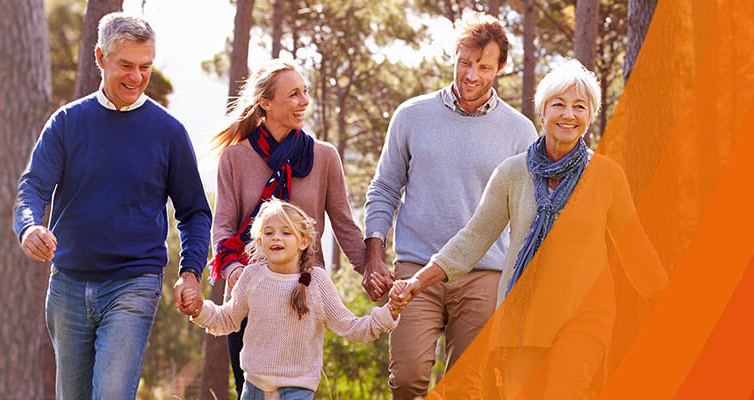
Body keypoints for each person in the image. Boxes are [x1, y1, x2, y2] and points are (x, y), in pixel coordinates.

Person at [389, 60, 667, 398]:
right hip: (523, 322)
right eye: (559, 104)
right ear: (542, 112)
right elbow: (473, 239)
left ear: (590, 116)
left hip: (584, 317)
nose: (568, 114)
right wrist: (418, 280)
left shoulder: (606, 175)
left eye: (579, 106)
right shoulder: (512, 173)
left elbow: (634, 246)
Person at [12, 12, 212, 399]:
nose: (136, 77)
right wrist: (30, 225)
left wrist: (190, 272)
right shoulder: (67, 123)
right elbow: (33, 187)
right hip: (68, 284)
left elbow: (194, 212)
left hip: (134, 282)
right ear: (100, 57)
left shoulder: (168, 132)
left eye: (145, 67)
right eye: (126, 65)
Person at [361, 11, 539, 400]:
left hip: (484, 274)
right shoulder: (411, 115)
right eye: (464, 62)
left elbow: (531, 213)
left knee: (466, 388)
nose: (471, 75)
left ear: (501, 68)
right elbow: (385, 188)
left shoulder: (520, 131)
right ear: (454, 57)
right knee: (407, 379)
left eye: (483, 66)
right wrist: (373, 254)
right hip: (414, 271)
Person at [203, 59, 378, 392]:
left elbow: (344, 225)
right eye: (294, 94)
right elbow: (223, 225)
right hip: (249, 295)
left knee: (296, 392)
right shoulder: (234, 157)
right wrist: (234, 272)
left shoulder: (324, 157)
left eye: (305, 92)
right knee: (249, 390)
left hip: (304, 296)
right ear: (265, 103)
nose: (304, 102)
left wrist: (369, 271)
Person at [189, 199, 407, 400]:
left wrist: (390, 312)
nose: (276, 237)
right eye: (269, 232)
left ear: (304, 241)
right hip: (253, 389)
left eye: (286, 233)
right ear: (259, 239)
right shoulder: (252, 276)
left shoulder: (316, 282)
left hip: (296, 391)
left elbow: (351, 327)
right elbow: (227, 319)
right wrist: (199, 310)